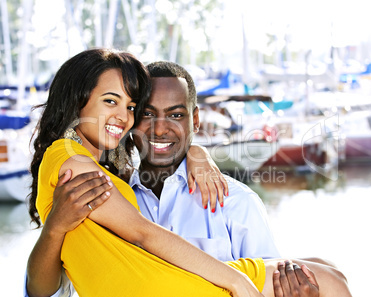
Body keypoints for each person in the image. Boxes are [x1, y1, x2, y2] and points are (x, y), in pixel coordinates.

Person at [26, 49, 352, 297]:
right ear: (78, 101)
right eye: (144, 113)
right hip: (173, 286)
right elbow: (48, 289)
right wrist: (53, 228)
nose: (159, 128)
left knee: (330, 273)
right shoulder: (89, 176)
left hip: (186, 285)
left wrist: (198, 152)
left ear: (195, 121)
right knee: (331, 281)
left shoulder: (235, 202)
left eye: (176, 115)